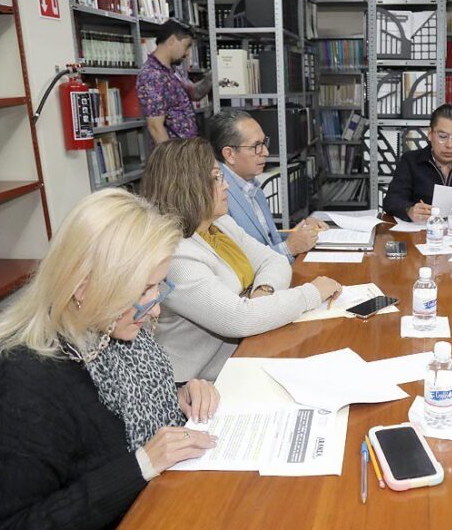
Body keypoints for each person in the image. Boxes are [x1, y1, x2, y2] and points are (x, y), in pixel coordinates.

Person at [0, 189, 219, 530]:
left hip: (162, 502)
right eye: (143, 291)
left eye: (158, 288)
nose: (155, 309)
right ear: (84, 288)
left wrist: (177, 395)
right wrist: (140, 465)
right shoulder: (25, 384)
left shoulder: (109, 325)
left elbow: (116, 408)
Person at [140, 138, 342, 382]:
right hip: (200, 383)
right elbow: (239, 319)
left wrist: (262, 293)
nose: (226, 187)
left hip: (245, 352)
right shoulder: (176, 254)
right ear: (187, 186)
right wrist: (312, 293)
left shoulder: (218, 224)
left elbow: (274, 261)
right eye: (217, 178)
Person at [208, 109, 328, 262]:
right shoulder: (218, 196)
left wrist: (303, 231)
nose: (265, 152)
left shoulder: (252, 186)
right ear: (229, 154)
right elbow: (238, 265)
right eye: (256, 146)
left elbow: (266, 239)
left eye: (264, 143)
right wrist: (290, 248)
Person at [136, 19, 212, 143]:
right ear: (171, 41)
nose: (187, 53)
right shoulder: (151, 75)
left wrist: (213, 76)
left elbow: (194, 93)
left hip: (188, 149)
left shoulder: (174, 70)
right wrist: (171, 160)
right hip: (175, 155)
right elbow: (155, 127)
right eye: (186, 46)